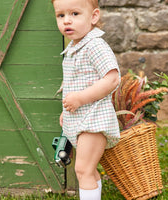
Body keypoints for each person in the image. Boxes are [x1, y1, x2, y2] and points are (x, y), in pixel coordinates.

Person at [51, 0, 121, 199]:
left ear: (94, 17)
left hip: (94, 119)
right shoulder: (75, 47)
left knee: (82, 169)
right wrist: (67, 111)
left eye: (74, 14)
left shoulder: (95, 45)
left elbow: (112, 78)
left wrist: (81, 98)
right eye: (61, 15)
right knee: (87, 170)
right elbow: (76, 83)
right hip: (82, 119)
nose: (67, 21)